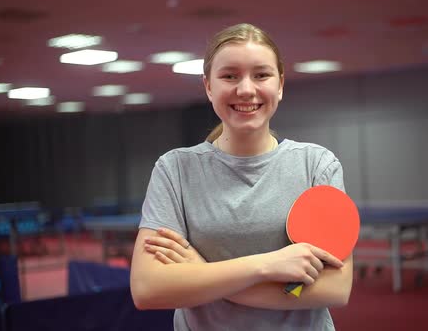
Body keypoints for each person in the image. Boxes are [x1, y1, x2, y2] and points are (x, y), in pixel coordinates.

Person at [130, 23, 353, 331]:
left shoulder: (317, 165)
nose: (246, 89)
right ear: (208, 86)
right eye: (230, 75)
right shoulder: (174, 170)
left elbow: (335, 288)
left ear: (280, 84)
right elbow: (148, 289)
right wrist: (265, 266)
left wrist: (201, 273)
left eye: (261, 75)